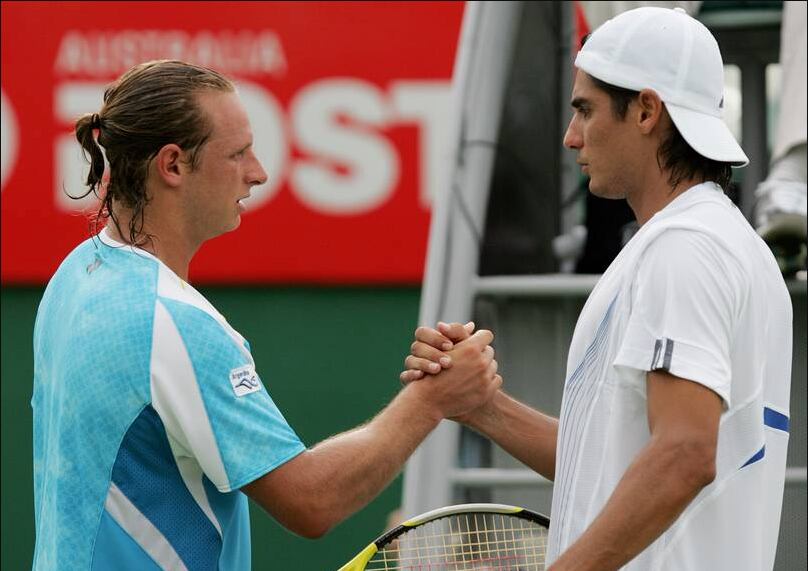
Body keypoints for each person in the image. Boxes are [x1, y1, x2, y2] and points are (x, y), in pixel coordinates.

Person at [31, 59, 502, 570]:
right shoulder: (173, 324)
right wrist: (431, 399)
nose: (258, 172)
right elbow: (311, 500)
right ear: (173, 165)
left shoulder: (77, 275)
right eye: (238, 154)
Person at [404, 7, 793, 571]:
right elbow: (605, 462)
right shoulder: (709, 241)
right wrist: (483, 407)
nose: (571, 137)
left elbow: (684, 453)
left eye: (585, 110)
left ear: (646, 111)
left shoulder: (686, 246)